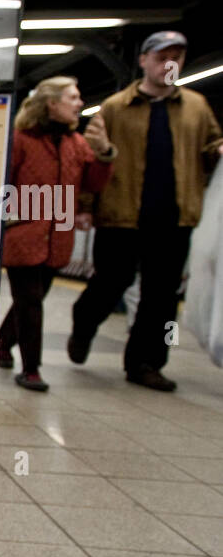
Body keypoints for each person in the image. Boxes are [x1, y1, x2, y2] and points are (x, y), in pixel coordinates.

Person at [68, 31, 223, 391]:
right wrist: (85, 206)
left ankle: (147, 363)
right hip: (121, 214)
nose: (169, 64)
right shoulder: (115, 107)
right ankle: (84, 322)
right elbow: (92, 159)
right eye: (161, 56)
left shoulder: (197, 107)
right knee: (110, 282)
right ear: (143, 61)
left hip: (175, 217)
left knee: (162, 296)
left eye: (177, 58)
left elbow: (211, 144)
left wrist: (218, 150)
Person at [0, 76, 116, 391]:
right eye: (72, 98)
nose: (79, 104)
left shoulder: (78, 145)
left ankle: (4, 340)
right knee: (31, 299)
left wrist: (104, 153)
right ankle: (31, 369)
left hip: (58, 238)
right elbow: (3, 180)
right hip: (24, 233)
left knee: (31, 299)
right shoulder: (21, 139)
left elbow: (93, 184)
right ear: (51, 103)